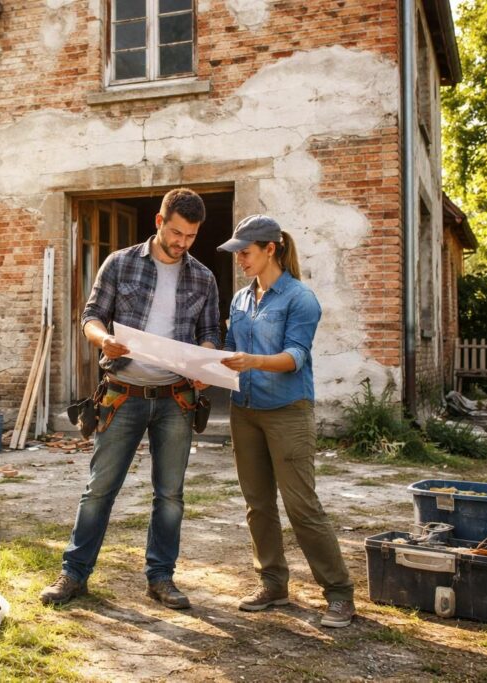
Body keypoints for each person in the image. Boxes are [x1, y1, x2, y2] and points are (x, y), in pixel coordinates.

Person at [40, 188, 220, 610]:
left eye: (191, 237)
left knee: (170, 494)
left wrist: (206, 358)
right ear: (159, 222)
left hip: (177, 399)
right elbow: (90, 316)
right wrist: (105, 340)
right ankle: (74, 574)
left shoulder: (204, 277)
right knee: (100, 489)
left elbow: (211, 332)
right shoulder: (119, 263)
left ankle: (161, 579)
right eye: (176, 233)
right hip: (123, 394)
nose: (182, 243)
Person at [217, 214, 355, 628]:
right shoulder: (240, 300)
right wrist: (204, 363)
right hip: (245, 411)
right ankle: (273, 585)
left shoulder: (300, 298)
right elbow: (228, 348)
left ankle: (339, 594)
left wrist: (254, 361)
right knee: (257, 505)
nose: (240, 259)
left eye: (245, 252)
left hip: (288, 413)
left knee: (302, 506)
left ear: (270, 249)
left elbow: (297, 356)